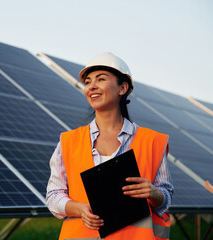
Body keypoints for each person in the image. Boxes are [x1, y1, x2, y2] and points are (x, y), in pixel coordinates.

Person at [46, 52, 173, 240]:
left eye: (101, 79)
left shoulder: (152, 141)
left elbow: (166, 197)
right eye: (88, 82)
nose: (92, 86)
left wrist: (155, 193)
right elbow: (53, 196)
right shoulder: (68, 141)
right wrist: (80, 209)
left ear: (123, 88)